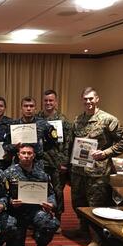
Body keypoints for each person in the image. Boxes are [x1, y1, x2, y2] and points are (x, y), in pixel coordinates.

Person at [68, 87, 123, 246]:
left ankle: (98, 239)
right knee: (78, 202)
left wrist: (105, 153)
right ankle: (83, 229)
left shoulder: (108, 119)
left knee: (96, 204)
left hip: (98, 172)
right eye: (85, 99)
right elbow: (73, 144)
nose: (88, 102)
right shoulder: (78, 120)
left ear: (97, 99)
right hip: (79, 171)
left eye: (91, 99)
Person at [4, 144, 60, 246]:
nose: (26, 156)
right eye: (23, 153)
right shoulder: (8, 173)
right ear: (18, 155)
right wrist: (10, 202)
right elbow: (2, 194)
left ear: (34, 155)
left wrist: (51, 203)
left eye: (29, 153)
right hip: (15, 212)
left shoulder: (42, 174)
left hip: (35, 211)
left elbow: (50, 194)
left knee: (52, 223)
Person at [37, 90, 72, 232]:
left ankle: (57, 218)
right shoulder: (37, 117)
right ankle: (39, 218)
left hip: (57, 162)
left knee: (57, 191)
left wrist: (64, 162)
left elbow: (68, 144)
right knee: (40, 190)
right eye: (46, 100)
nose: (48, 103)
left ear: (56, 102)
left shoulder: (63, 120)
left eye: (51, 100)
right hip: (39, 161)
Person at [3, 96, 58, 168]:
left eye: (31, 106)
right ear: (21, 109)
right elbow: (5, 146)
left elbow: (54, 140)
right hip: (18, 164)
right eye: (25, 106)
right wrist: (14, 147)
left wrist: (40, 147)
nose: (28, 109)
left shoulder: (43, 124)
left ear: (35, 109)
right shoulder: (13, 125)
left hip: (38, 163)